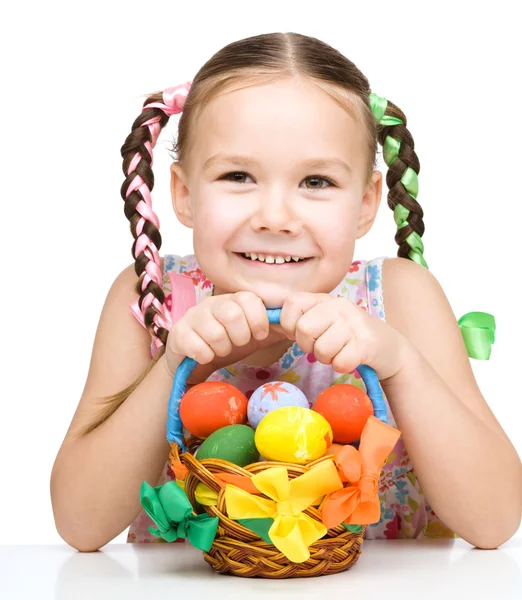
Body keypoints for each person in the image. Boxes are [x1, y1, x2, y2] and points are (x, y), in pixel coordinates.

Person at [50, 32, 522, 553]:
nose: (275, 218)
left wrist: (399, 363)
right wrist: (179, 366)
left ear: (366, 203)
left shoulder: (400, 298)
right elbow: (80, 523)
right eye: (238, 175)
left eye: (317, 182)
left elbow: (495, 520)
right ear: (183, 194)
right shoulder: (152, 296)